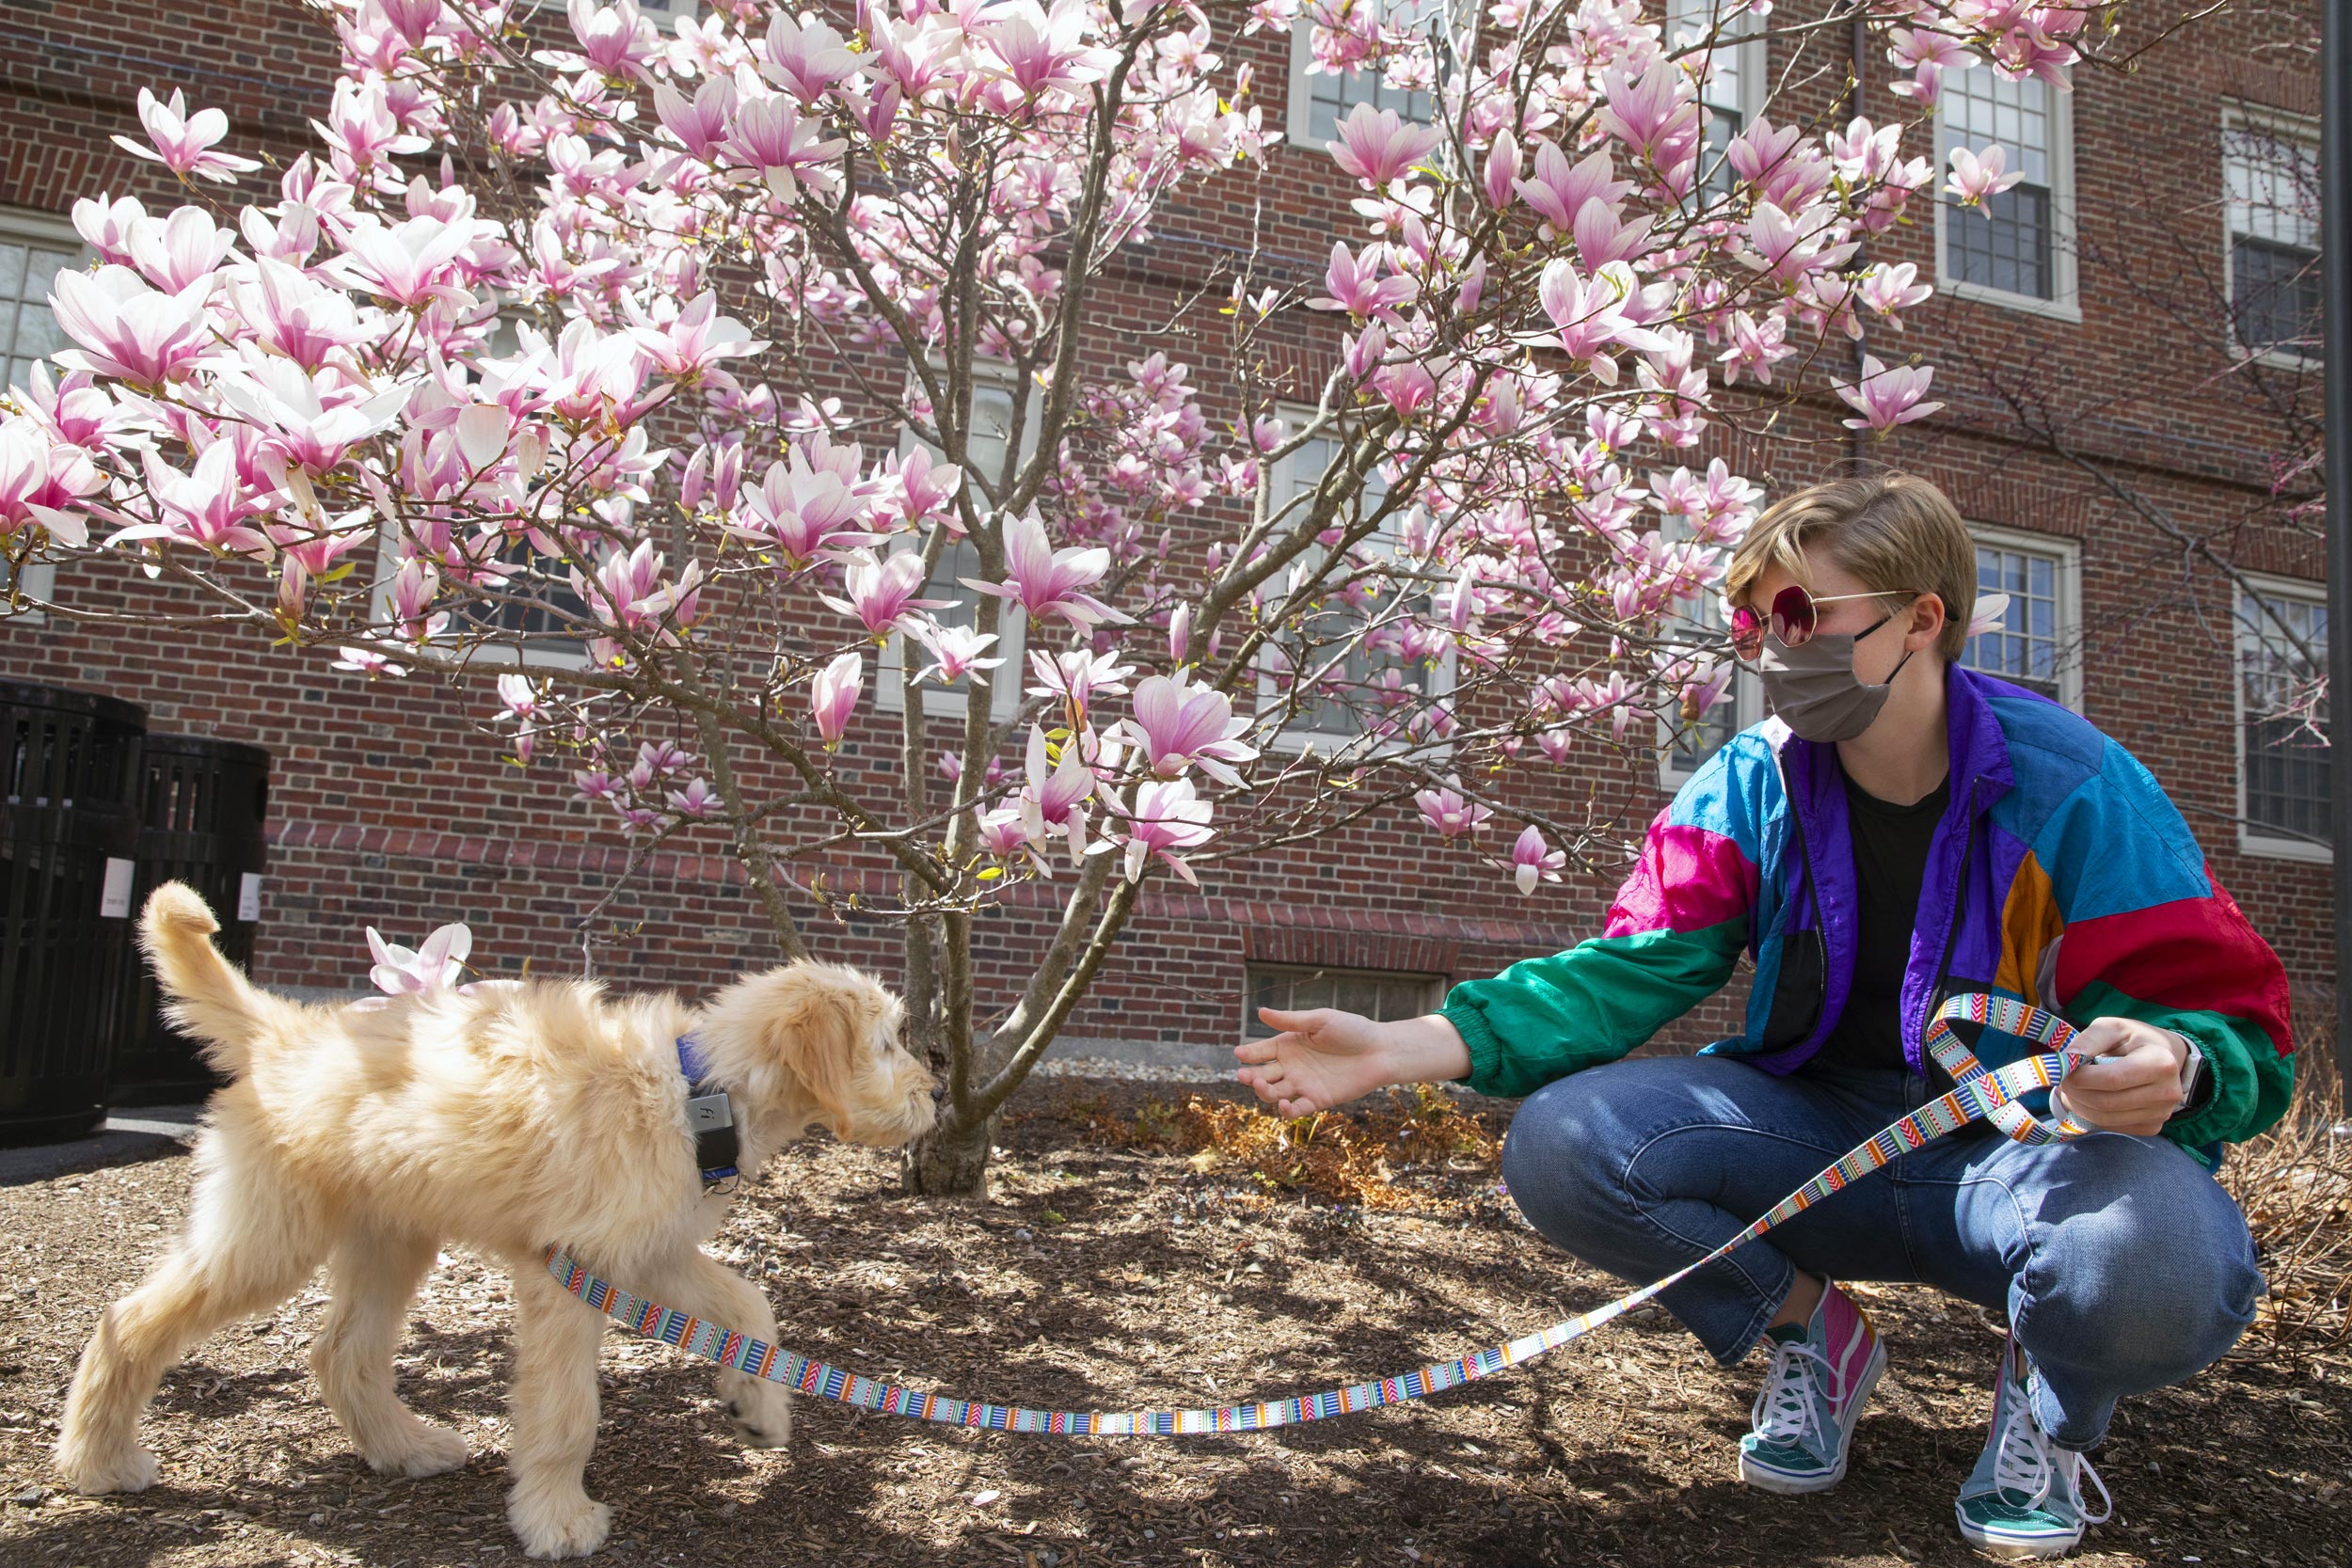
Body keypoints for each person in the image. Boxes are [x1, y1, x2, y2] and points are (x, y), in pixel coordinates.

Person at [1234, 473, 2295, 1560]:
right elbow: (1629, 966)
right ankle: (1811, 1331)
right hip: (1816, 1140)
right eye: (1755, 620)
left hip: (2025, 1164)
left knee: (2156, 1264)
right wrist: (1401, 1045)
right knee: (1566, 1144)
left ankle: (2046, 1402)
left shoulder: (2075, 786)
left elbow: (2226, 1018)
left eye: (1802, 616)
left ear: (1921, 618)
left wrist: (2177, 1058)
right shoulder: (1753, 782)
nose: (1770, 648)